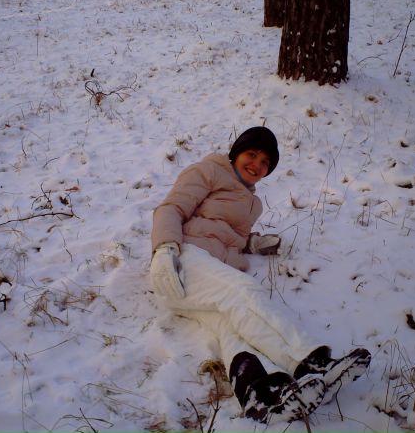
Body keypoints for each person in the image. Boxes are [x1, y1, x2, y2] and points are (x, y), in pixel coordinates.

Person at [150, 126, 370, 423]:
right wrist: (165, 249)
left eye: (265, 162)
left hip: (201, 286)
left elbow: (232, 235)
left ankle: (262, 394)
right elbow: (171, 208)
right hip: (182, 262)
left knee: (233, 327)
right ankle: (311, 362)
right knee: (244, 291)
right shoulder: (208, 170)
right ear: (236, 153)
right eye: (251, 154)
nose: (257, 164)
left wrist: (253, 243)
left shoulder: (253, 204)